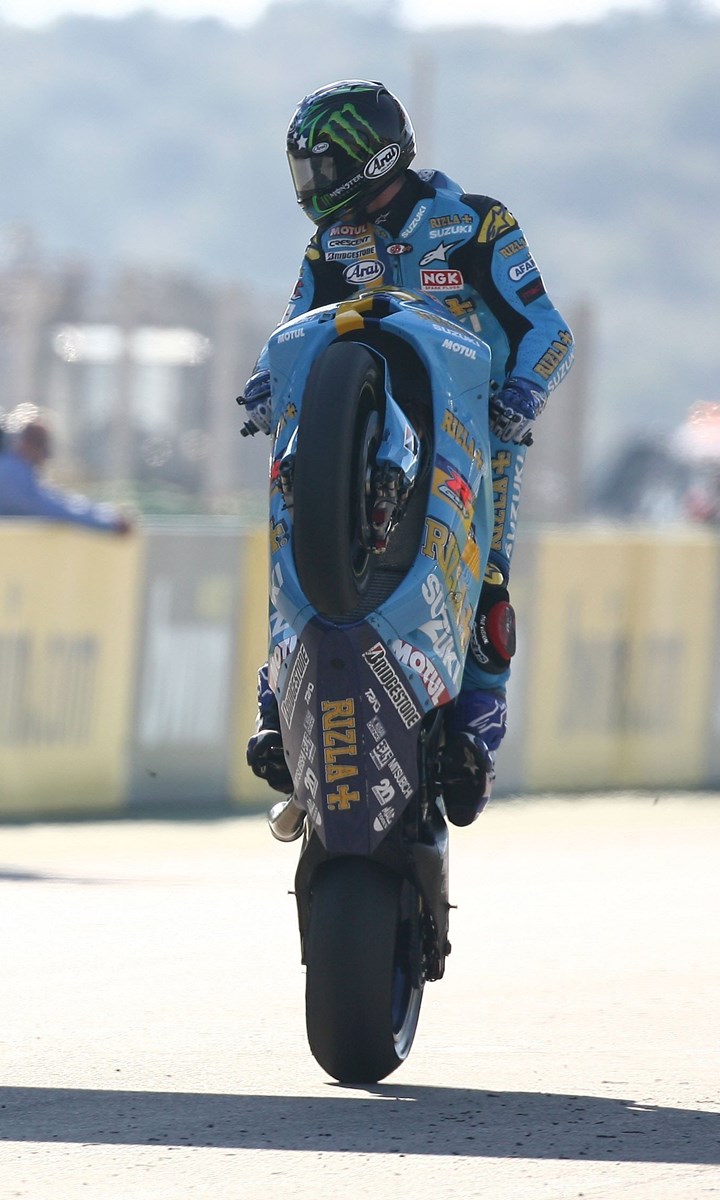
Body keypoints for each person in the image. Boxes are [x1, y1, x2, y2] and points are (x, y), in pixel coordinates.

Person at [238, 80, 574, 826]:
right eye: (305, 170)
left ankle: (475, 737)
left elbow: (549, 330)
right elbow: (294, 325)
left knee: (488, 581)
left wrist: (523, 394)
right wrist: (262, 382)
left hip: (475, 435)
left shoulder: (477, 224)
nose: (311, 186)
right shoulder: (330, 243)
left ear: (368, 156)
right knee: (288, 543)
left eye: (322, 168)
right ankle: (276, 704)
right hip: (347, 428)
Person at [0, 406, 133, 535]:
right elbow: (52, 508)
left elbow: (53, 498)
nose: (46, 456)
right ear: (25, 444)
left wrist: (103, 514)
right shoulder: (9, 474)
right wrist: (109, 522)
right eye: (42, 446)